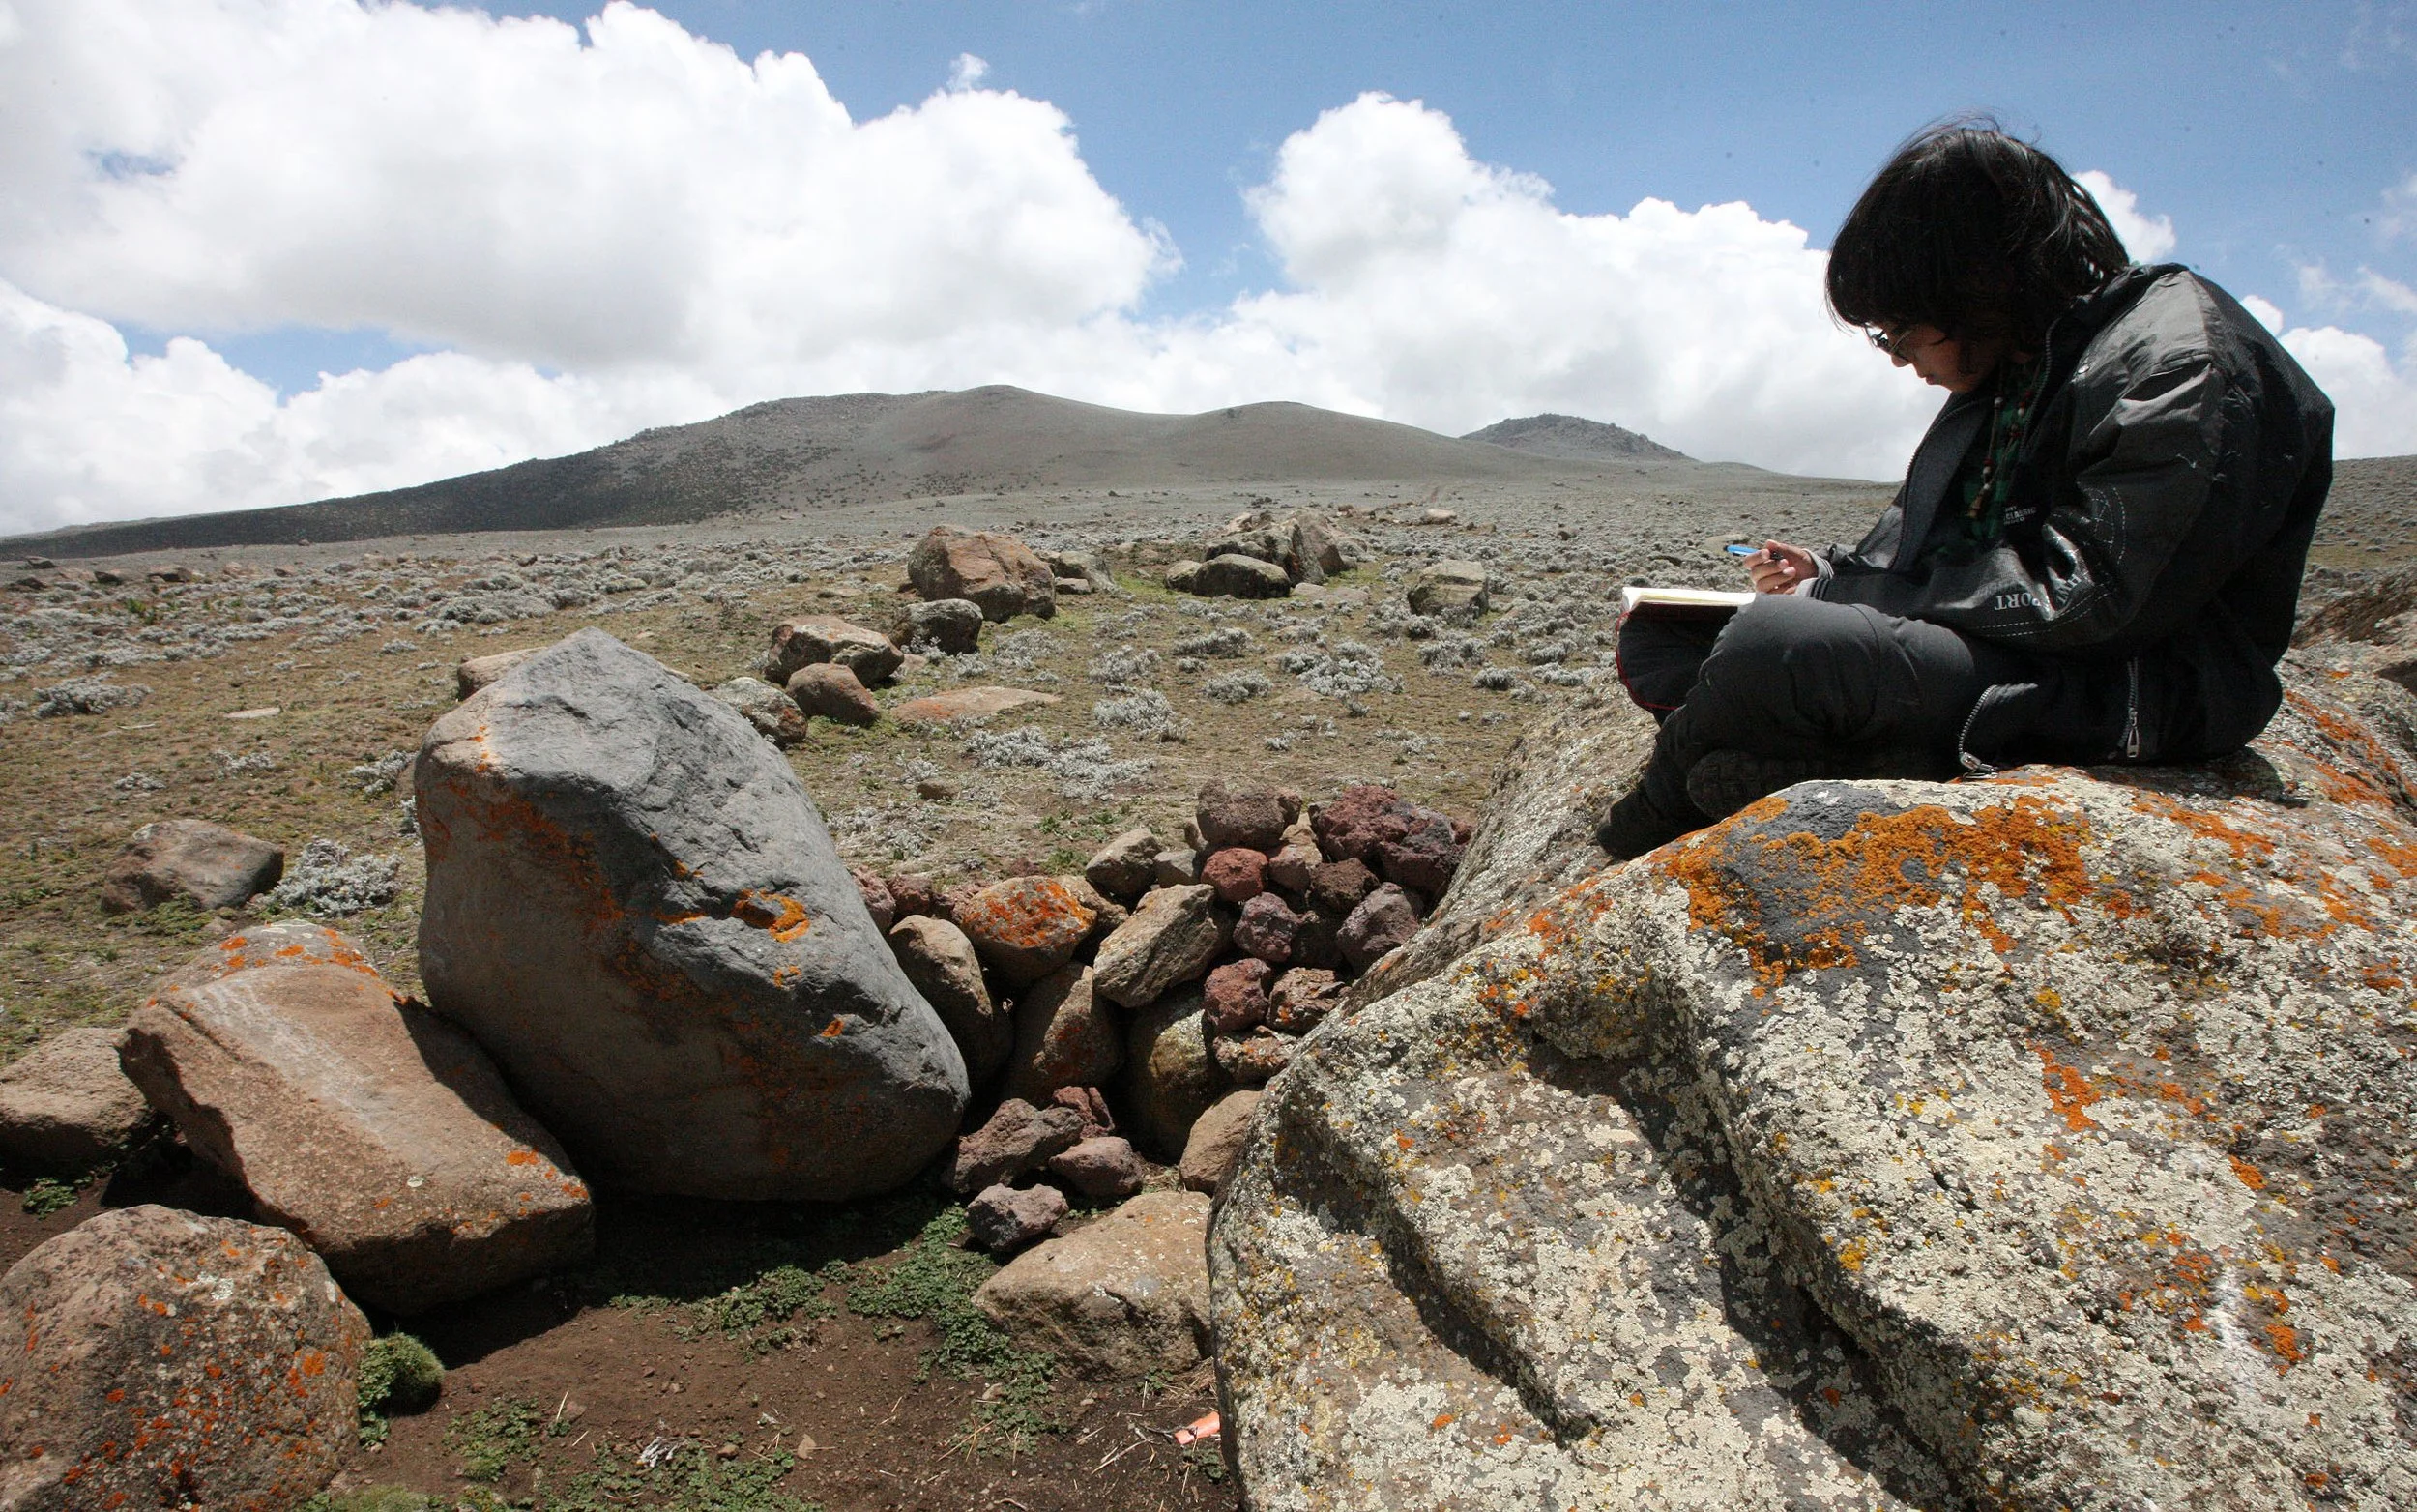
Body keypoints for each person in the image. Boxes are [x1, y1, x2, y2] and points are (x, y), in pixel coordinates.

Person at [1594, 120, 2335, 860]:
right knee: (1669, 635)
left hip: (2131, 685)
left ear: (1974, 284)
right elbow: (1933, 553)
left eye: (1900, 332)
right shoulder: (2021, 365)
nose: (1898, 358)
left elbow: (2090, 601)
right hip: (2015, 656)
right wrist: (1825, 572)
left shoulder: (2178, 363)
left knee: (1772, 644)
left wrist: (1837, 600)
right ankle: (1852, 762)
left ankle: (1645, 824)